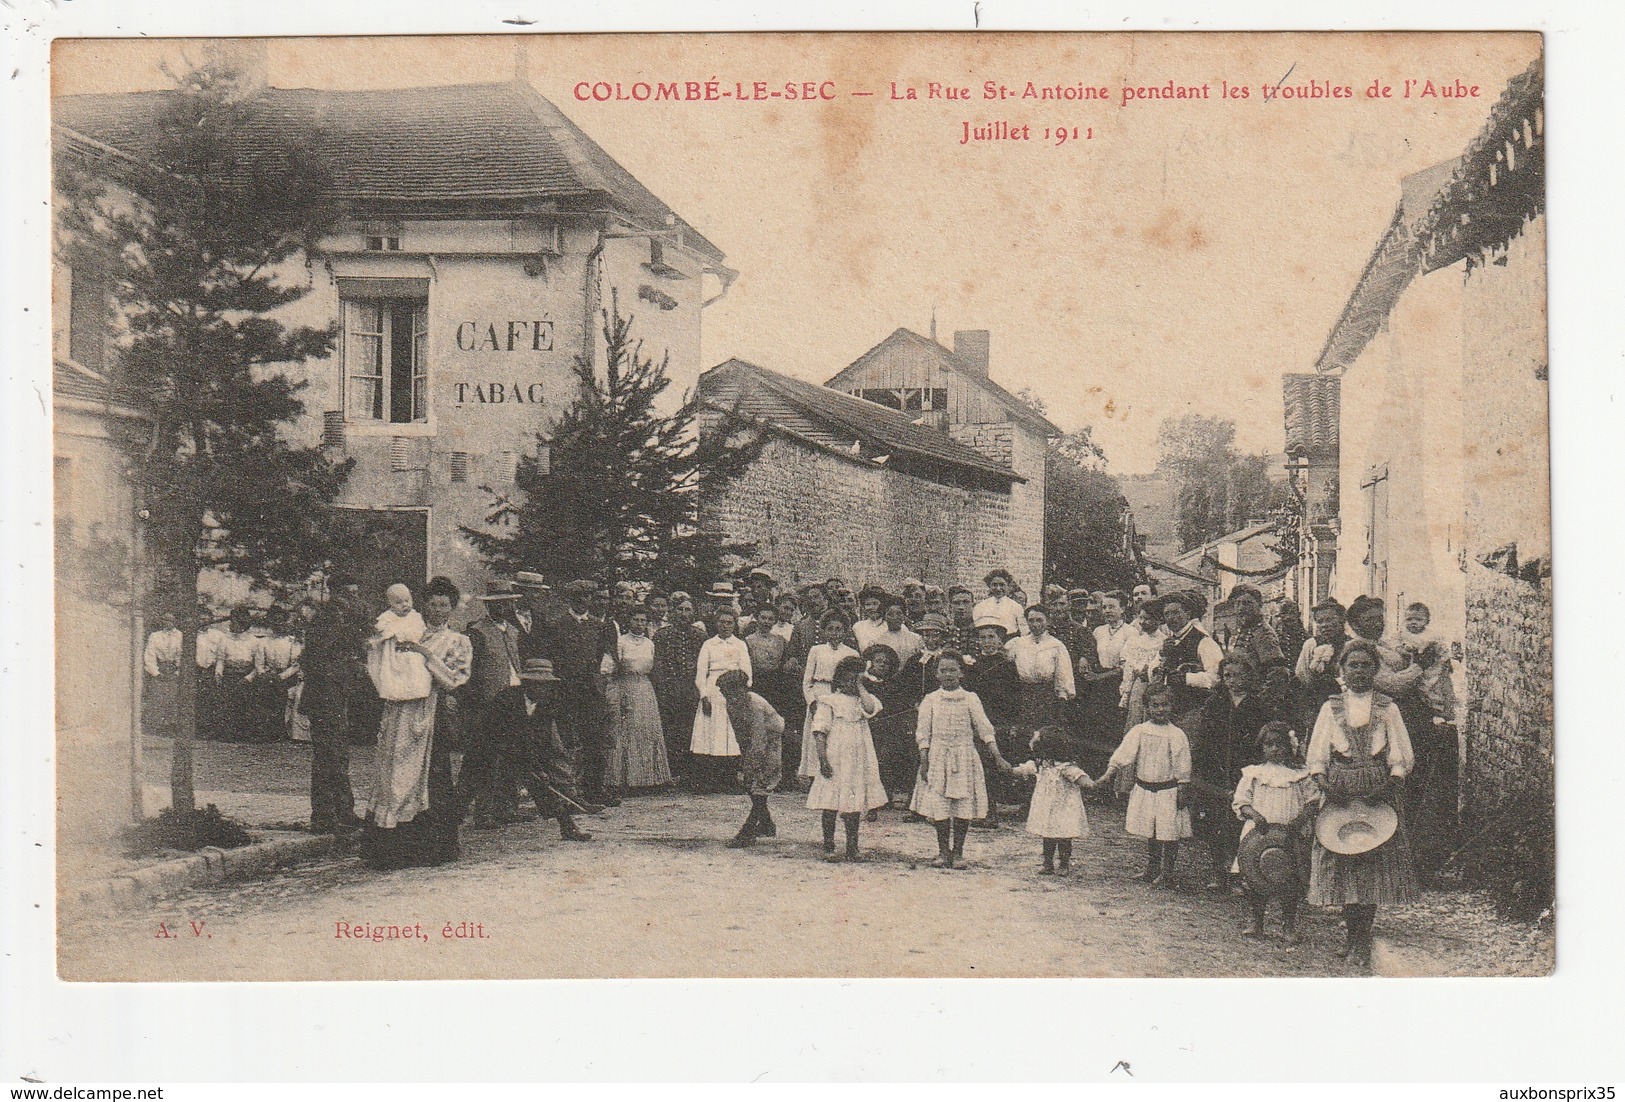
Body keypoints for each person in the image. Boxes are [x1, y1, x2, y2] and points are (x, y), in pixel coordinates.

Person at [1305, 639, 1420, 968]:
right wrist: (1326, 785)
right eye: (1352, 665)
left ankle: (1363, 938)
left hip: (1375, 790)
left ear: (1376, 669)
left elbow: (1402, 756)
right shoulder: (1331, 707)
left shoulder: (1388, 707)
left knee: (1369, 864)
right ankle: (1350, 934)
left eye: (1366, 665)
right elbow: (1317, 756)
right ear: (1342, 670)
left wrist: (1388, 786)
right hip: (1340, 789)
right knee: (1343, 861)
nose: (1359, 671)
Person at [361, 579, 471, 869]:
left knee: (431, 778)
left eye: (444, 604)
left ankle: (431, 848)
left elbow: (454, 679)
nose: (438, 610)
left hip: (431, 714)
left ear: (452, 607)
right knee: (393, 771)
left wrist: (425, 655)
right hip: (399, 711)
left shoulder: (457, 640)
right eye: (433, 603)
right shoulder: (409, 629)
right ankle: (389, 849)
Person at [910, 654, 1011, 868]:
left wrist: (998, 756)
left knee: (962, 805)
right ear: (937, 674)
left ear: (961, 673)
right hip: (938, 756)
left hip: (964, 756)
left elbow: (984, 729)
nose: (948, 675)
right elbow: (923, 733)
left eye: (953, 670)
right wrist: (924, 760)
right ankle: (943, 851)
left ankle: (958, 853)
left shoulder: (970, 698)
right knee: (940, 806)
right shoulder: (930, 699)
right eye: (943, 670)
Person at [1096, 684, 1193, 888]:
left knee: (1169, 833)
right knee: (1152, 831)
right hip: (1146, 789)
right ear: (1146, 707)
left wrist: (1183, 787)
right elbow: (1124, 754)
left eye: (1164, 705)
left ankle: (1167, 873)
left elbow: (1182, 763)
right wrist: (1108, 774)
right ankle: (1152, 868)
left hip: (1168, 791)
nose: (1160, 710)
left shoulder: (1176, 734)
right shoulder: (1139, 731)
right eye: (1155, 705)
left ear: (1171, 706)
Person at [457, 579, 533, 829]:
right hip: (489, 703)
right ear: (489, 606)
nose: (504, 608)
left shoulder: (513, 631)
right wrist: (476, 703)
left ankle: (507, 808)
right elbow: (469, 673)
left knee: (513, 754)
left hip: (514, 697)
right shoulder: (476, 632)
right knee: (486, 757)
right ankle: (483, 811)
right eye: (498, 604)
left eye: (508, 603)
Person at [1232, 721, 1318, 943]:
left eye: (1280, 745)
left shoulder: (1300, 775)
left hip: (1290, 834)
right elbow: (1241, 801)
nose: (1275, 749)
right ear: (1262, 747)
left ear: (1290, 746)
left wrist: (1299, 821)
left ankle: (1288, 926)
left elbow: (1312, 802)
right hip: (1259, 835)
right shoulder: (1254, 773)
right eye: (1269, 745)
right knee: (1256, 879)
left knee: (1289, 881)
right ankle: (1256, 921)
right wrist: (1254, 815)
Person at [1192, 657, 1271, 891]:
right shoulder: (1216, 703)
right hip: (1216, 768)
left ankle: (1241, 873)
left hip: (1244, 768)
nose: (1233, 681)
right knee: (1216, 821)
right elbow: (1204, 736)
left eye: (1238, 675)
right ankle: (1218, 871)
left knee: (1241, 823)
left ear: (1249, 676)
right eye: (1228, 676)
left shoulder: (1259, 706)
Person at [298, 574, 367, 839]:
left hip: (334, 693)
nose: (352, 598)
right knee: (329, 754)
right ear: (335, 592)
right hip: (325, 694)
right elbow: (315, 658)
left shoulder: (337, 617)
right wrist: (348, 666)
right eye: (348, 592)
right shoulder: (330, 618)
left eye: (354, 592)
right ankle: (327, 815)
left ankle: (341, 810)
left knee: (337, 753)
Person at [806, 655, 887, 862]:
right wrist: (823, 759)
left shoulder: (864, 700)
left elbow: (870, 709)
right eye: (849, 679)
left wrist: (861, 687)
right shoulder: (829, 700)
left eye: (856, 679)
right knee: (830, 802)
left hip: (858, 759)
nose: (852, 683)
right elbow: (819, 731)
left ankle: (852, 847)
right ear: (839, 680)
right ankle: (829, 845)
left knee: (853, 804)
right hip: (835, 756)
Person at [549, 579, 619, 805]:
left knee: (595, 742)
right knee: (569, 742)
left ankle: (595, 790)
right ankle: (570, 792)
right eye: (577, 597)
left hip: (592, 692)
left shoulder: (598, 626)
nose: (582, 601)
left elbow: (604, 657)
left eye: (586, 596)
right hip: (566, 692)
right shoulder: (557, 625)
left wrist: (599, 681)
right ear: (570, 599)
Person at [604, 606, 673, 796]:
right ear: (629, 621)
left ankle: (649, 779)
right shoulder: (620, 642)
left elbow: (653, 667)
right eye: (636, 620)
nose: (640, 624)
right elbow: (610, 668)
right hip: (625, 686)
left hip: (645, 689)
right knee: (626, 731)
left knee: (647, 731)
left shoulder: (650, 644)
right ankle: (625, 779)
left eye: (643, 621)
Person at [1007, 726, 1095, 875]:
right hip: (1047, 808)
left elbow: (1081, 778)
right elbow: (1023, 769)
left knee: (1064, 837)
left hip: (1063, 809)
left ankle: (1064, 864)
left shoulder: (1066, 768)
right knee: (1047, 836)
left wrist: (1092, 783)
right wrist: (1011, 770)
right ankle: (1047, 863)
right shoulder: (1040, 764)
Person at [963, 618, 1022, 826]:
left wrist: (1011, 721)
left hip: (999, 720)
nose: (987, 641)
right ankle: (979, 809)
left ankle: (992, 811)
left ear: (1000, 640)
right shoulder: (972, 665)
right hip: (977, 719)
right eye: (983, 637)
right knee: (977, 763)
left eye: (991, 637)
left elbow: (1015, 696)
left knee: (993, 764)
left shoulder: (1007, 666)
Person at [718, 669, 785, 848]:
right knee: (751, 785)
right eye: (725, 694)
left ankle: (747, 832)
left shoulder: (755, 704)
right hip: (753, 741)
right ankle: (766, 824)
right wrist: (745, 760)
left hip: (771, 739)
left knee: (760, 785)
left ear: (743, 689)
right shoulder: (731, 704)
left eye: (732, 693)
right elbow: (741, 734)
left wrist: (750, 768)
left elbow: (760, 740)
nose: (729, 697)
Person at [1005, 605, 1076, 771]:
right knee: (1022, 738)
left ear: (1047, 621)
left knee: (1043, 740)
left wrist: (1060, 707)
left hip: (1047, 699)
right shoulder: (1017, 644)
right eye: (1031, 620)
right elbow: (1007, 670)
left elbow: (1063, 679)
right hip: (1023, 697)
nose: (1035, 624)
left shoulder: (1056, 646)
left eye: (1039, 620)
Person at [691, 607, 752, 793]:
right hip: (713, 692)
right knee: (711, 735)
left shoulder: (740, 645)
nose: (725, 626)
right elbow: (701, 674)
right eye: (721, 622)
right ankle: (710, 781)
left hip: (734, 692)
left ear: (735, 624)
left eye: (729, 622)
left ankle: (730, 780)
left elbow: (748, 673)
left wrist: (740, 693)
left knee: (730, 736)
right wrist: (704, 696)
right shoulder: (708, 645)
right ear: (715, 623)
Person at [799, 610, 860, 782]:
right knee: (817, 734)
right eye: (831, 629)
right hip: (820, 693)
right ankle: (814, 775)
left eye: (839, 629)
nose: (835, 633)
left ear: (845, 631)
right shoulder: (816, 650)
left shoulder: (851, 653)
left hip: (840, 696)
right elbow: (807, 681)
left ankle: (835, 772)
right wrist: (811, 701)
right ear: (825, 631)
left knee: (836, 735)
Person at [652, 591, 704, 783]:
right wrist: (663, 689)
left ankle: (690, 774)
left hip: (691, 690)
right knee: (671, 731)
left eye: (688, 610)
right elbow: (657, 666)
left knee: (691, 730)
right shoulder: (662, 635)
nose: (684, 614)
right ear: (673, 612)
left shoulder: (700, 636)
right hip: (670, 689)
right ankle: (671, 773)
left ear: (693, 613)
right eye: (680, 610)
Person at [862, 643, 916, 810]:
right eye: (878, 661)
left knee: (890, 757)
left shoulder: (894, 684)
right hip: (869, 727)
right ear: (870, 663)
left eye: (886, 662)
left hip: (890, 729)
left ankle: (887, 794)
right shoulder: (864, 683)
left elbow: (901, 706)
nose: (882, 665)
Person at [1158, 591, 1223, 726]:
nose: (1171, 618)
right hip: (1168, 709)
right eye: (1167, 614)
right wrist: (1162, 655)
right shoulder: (1168, 641)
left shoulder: (1204, 641)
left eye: (1176, 612)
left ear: (1188, 614)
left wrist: (1186, 678)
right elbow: (1155, 670)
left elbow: (1217, 677)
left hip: (1194, 709)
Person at [1294, 598, 1353, 731]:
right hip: (1317, 706)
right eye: (1320, 621)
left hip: (1346, 706)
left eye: (1329, 620)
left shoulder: (1351, 646)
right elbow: (1302, 675)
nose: (1324, 625)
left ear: (1341, 620)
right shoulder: (1311, 645)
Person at [213, 606, 264, 742]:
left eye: (236, 622)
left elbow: (258, 666)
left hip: (247, 677)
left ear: (243, 624)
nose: (232, 625)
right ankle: (227, 734)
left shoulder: (254, 641)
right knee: (227, 703)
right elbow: (220, 660)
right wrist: (219, 675)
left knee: (244, 703)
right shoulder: (225, 639)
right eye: (232, 621)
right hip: (229, 676)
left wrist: (248, 678)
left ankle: (244, 734)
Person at [1119, 598, 1167, 729]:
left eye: (1147, 619)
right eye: (1141, 618)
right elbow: (1127, 662)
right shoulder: (1135, 640)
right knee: (1135, 715)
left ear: (1158, 619)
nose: (1142, 622)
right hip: (1137, 685)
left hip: (1155, 686)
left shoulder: (1164, 641)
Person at [258, 607, 302, 741]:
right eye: (274, 621)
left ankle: (280, 731)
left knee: (280, 694)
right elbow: (259, 664)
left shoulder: (291, 641)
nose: (278, 624)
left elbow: (296, 664)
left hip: (286, 677)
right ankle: (264, 731)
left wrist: (281, 677)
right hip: (268, 677)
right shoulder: (264, 641)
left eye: (281, 621)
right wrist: (264, 675)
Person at [1226, 585, 1287, 674]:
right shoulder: (1243, 630)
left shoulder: (1264, 634)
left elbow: (1278, 673)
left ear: (1260, 605)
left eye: (1247, 603)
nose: (1241, 608)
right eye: (1237, 603)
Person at [141, 612, 182, 739]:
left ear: (175, 621)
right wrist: (155, 672)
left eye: (170, 620)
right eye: (165, 620)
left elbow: (182, 655)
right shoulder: (155, 636)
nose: (167, 623)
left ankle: (171, 726)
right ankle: (156, 726)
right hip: (160, 667)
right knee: (158, 696)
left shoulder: (180, 636)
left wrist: (178, 672)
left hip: (174, 668)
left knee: (173, 697)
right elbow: (150, 654)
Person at [972, 568, 1027, 639]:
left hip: (1010, 642)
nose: (998, 588)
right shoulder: (980, 606)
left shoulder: (1016, 607)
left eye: (1002, 585)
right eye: (994, 585)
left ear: (1008, 586)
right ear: (989, 586)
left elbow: (1024, 631)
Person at [871, 597, 924, 667]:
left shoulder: (916, 638)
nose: (895, 617)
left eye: (899, 613)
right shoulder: (879, 641)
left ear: (904, 616)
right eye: (890, 614)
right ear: (884, 617)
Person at [852, 586, 889, 653]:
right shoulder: (858, 627)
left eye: (875, 603)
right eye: (868, 604)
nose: (871, 607)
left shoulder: (889, 625)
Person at [945, 585, 978, 658]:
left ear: (973, 605)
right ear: (950, 607)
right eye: (956, 603)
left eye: (966, 602)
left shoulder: (979, 630)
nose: (961, 607)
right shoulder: (945, 631)